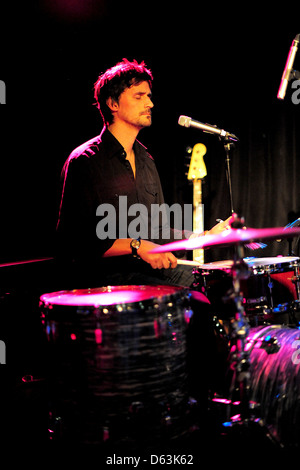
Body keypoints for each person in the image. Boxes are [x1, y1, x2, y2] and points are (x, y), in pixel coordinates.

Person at [55, 58, 233, 289]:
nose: (149, 103)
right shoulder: (85, 161)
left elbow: (157, 230)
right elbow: (76, 242)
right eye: (139, 96)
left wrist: (204, 237)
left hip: (145, 271)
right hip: (105, 279)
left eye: (149, 96)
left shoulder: (146, 160)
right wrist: (137, 245)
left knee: (219, 284)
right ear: (113, 104)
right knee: (188, 298)